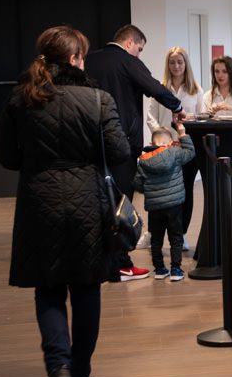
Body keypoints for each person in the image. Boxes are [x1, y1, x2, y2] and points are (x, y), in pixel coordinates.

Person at [0, 25, 130, 377]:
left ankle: (58, 366)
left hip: (39, 202)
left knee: (48, 286)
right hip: (88, 199)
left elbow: (7, 158)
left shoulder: (21, 98)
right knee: (86, 288)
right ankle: (81, 375)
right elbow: (120, 151)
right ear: (74, 59)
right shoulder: (98, 98)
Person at [85, 25, 185, 282]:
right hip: (121, 143)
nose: (139, 54)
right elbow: (154, 88)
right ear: (130, 42)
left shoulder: (90, 60)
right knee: (121, 204)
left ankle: (101, 259)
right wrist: (177, 106)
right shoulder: (127, 61)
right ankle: (121, 263)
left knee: (98, 202)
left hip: (91, 143)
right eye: (139, 49)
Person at [146, 47, 204, 251]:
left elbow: (201, 119)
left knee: (185, 192)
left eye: (180, 62)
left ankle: (182, 234)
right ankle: (153, 234)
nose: (176, 66)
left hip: (186, 150)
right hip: (163, 148)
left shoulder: (196, 91)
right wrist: (162, 137)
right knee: (158, 192)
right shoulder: (160, 89)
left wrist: (183, 134)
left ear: (186, 64)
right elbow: (151, 117)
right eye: (172, 62)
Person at [133, 124, 196, 281]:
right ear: (170, 143)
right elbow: (190, 152)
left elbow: (137, 184)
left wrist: (150, 191)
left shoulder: (144, 161)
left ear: (152, 144)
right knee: (176, 238)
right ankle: (176, 269)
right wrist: (182, 134)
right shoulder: (175, 153)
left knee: (156, 240)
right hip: (174, 206)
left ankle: (160, 269)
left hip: (154, 208)